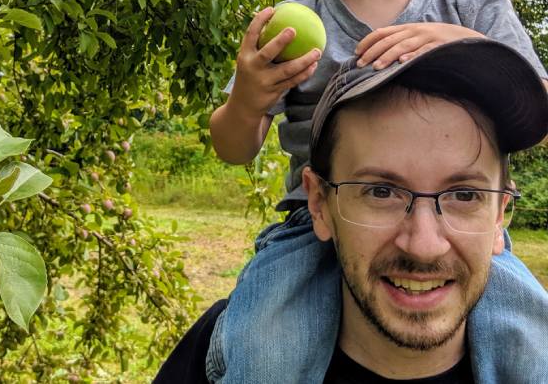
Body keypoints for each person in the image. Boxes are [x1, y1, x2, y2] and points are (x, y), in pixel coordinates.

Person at [205, 0, 548, 384]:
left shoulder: (476, 10)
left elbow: (539, 116)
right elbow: (232, 149)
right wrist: (249, 100)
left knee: (530, 336)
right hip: (311, 226)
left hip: (452, 226)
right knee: (265, 350)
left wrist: (467, 44)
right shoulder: (295, 19)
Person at [159, 38, 548, 382]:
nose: (424, 246)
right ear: (319, 204)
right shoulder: (231, 348)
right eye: (381, 191)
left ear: (500, 214)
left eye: (464, 195)